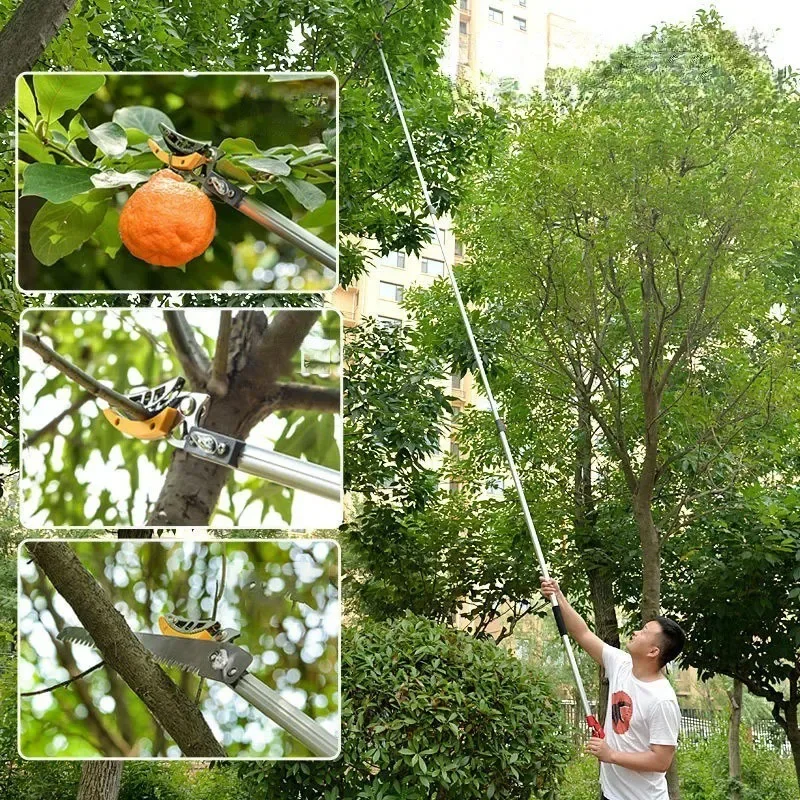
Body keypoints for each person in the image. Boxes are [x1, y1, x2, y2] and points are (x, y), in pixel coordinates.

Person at [540, 578, 685, 800]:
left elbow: (661, 761)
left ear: (653, 651)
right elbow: (583, 633)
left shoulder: (661, 699)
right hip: (611, 793)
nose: (636, 632)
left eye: (644, 631)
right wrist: (557, 596)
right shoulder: (622, 664)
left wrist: (611, 755)